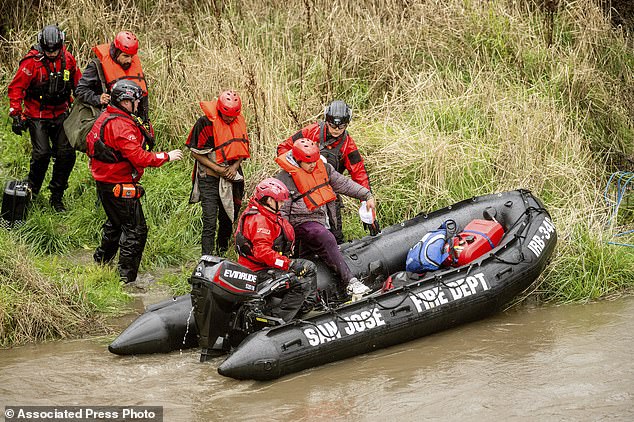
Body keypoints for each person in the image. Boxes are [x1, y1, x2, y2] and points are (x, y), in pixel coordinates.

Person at [86, 80, 183, 283]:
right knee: (136, 230)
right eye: (135, 101)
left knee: (116, 224)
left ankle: (101, 262)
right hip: (117, 184)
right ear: (124, 101)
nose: (139, 104)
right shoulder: (120, 126)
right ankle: (126, 279)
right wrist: (166, 156)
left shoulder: (108, 116)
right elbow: (140, 157)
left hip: (106, 182)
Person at [275, 138, 376, 297]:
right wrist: (285, 241)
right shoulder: (285, 179)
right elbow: (282, 213)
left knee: (309, 259)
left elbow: (344, 184)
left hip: (319, 220)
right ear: (297, 159)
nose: (313, 166)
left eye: (315, 161)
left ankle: (310, 296)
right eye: (308, 163)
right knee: (324, 237)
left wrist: (366, 195)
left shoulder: (324, 168)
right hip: (299, 224)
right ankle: (350, 282)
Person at [277, 100, 377, 243]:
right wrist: (300, 168)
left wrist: (367, 209)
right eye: (332, 125)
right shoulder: (311, 132)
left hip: (329, 190)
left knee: (335, 234)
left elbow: (359, 174)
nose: (336, 129)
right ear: (326, 121)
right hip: (302, 192)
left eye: (341, 126)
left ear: (347, 124)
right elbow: (283, 149)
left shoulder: (348, 145)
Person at [7, 24, 82, 211]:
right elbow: (16, 88)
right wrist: (15, 113)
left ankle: (57, 196)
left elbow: (78, 84)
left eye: (55, 50)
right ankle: (31, 190)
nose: (51, 53)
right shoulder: (31, 62)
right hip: (37, 114)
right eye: (48, 50)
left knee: (66, 154)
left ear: (60, 45)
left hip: (61, 112)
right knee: (42, 154)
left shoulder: (68, 59)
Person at [235, 178, 316, 321]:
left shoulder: (266, 213)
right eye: (280, 200)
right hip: (257, 271)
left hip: (265, 266)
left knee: (309, 268)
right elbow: (262, 252)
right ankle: (278, 320)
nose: (283, 203)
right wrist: (288, 264)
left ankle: (305, 308)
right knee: (300, 283)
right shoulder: (259, 220)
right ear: (269, 200)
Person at [185, 90, 250, 256]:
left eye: (233, 117)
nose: (229, 120)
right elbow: (195, 152)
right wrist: (218, 169)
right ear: (220, 110)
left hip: (231, 177)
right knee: (209, 221)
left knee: (228, 219)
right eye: (226, 116)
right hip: (209, 178)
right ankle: (206, 258)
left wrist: (234, 167)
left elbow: (241, 149)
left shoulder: (238, 122)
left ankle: (221, 254)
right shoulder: (205, 123)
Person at [75, 31, 151, 125]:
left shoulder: (134, 68)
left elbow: (143, 100)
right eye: (125, 56)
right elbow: (80, 90)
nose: (129, 60)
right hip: (105, 121)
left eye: (132, 56)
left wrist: (145, 122)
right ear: (116, 52)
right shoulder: (97, 66)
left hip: (131, 123)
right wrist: (98, 99)